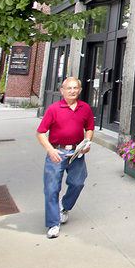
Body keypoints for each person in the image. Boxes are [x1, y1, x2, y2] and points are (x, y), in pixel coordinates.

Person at [36, 77, 94, 239]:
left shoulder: (85, 108)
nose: (72, 91)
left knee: (78, 182)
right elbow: (40, 132)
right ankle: (53, 223)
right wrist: (50, 150)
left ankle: (65, 207)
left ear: (80, 90)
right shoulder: (54, 109)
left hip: (77, 152)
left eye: (75, 88)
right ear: (62, 91)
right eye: (69, 88)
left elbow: (89, 128)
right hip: (57, 152)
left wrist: (87, 142)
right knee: (51, 188)